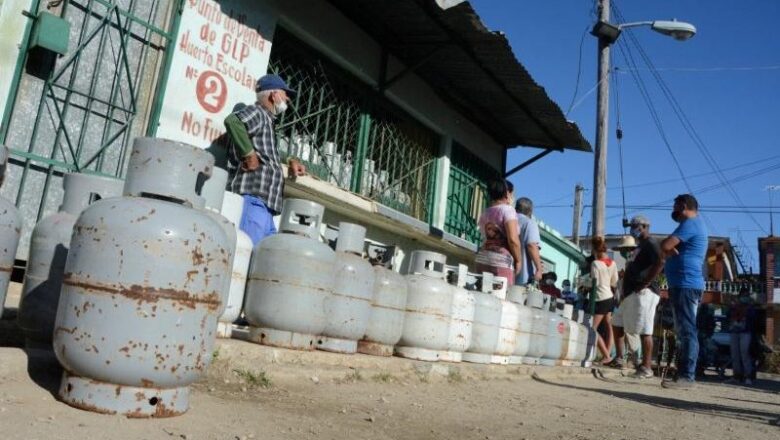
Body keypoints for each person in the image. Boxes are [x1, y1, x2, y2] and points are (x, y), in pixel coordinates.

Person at [224, 74, 307, 245]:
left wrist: (290, 159)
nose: (288, 99)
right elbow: (233, 121)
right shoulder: (258, 113)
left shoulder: (268, 121)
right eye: (285, 94)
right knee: (247, 253)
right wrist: (249, 155)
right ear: (274, 95)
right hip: (253, 201)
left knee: (263, 259)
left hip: (266, 207)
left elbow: (267, 152)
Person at [660, 194, 708, 389]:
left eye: (675, 205)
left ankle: (687, 376)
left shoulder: (690, 224)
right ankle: (684, 374)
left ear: (684, 206)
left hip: (686, 284)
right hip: (684, 284)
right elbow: (667, 248)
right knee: (684, 330)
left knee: (687, 331)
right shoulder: (693, 225)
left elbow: (665, 245)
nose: (673, 209)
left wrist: (669, 250)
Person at [611, 215, 663, 378]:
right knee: (617, 322)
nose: (633, 229)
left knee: (645, 330)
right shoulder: (639, 246)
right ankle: (620, 357)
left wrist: (646, 282)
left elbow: (661, 261)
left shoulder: (651, 243)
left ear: (644, 226)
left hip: (644, 293)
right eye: (631, 226)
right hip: (630, 294)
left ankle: (646, 367)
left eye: (635, 226)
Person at [475, 179, 522, 285]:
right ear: (507, 193)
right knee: (501, 295)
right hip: (501, 259)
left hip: (483, 257)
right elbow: (513, 240)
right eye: (512, 193)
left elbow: (484, 236)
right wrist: (518, 261)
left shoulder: (485, 212)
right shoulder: (508, 210)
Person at [590, 236, 618, 364]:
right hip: (610, 296)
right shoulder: (613, 263)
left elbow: (593, 282)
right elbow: (614, 282)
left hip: (600, 297)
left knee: (592, 328)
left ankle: (606, 355)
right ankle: (608, 353)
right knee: (609, 325)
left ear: (595, 249)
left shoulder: (595, 263)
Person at [725, 288, 757, 385]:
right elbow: (728, 315)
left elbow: (752, 319)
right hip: (734, 331)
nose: (744, 298)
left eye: (746, 296)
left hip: (745, 332)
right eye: (743, 296)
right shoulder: (734, 306)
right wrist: (732, 307)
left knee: (745, 354)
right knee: (735, 355)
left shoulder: (751, 308)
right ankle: (736, 376)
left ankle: (748, 377)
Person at [514, 197, 544, 285]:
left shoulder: (509, 221)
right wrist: (539, 269)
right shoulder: (529, 223)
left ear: (516, 208)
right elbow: (531, 245)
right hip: (523, 278)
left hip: (507, 272)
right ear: (530, 211)